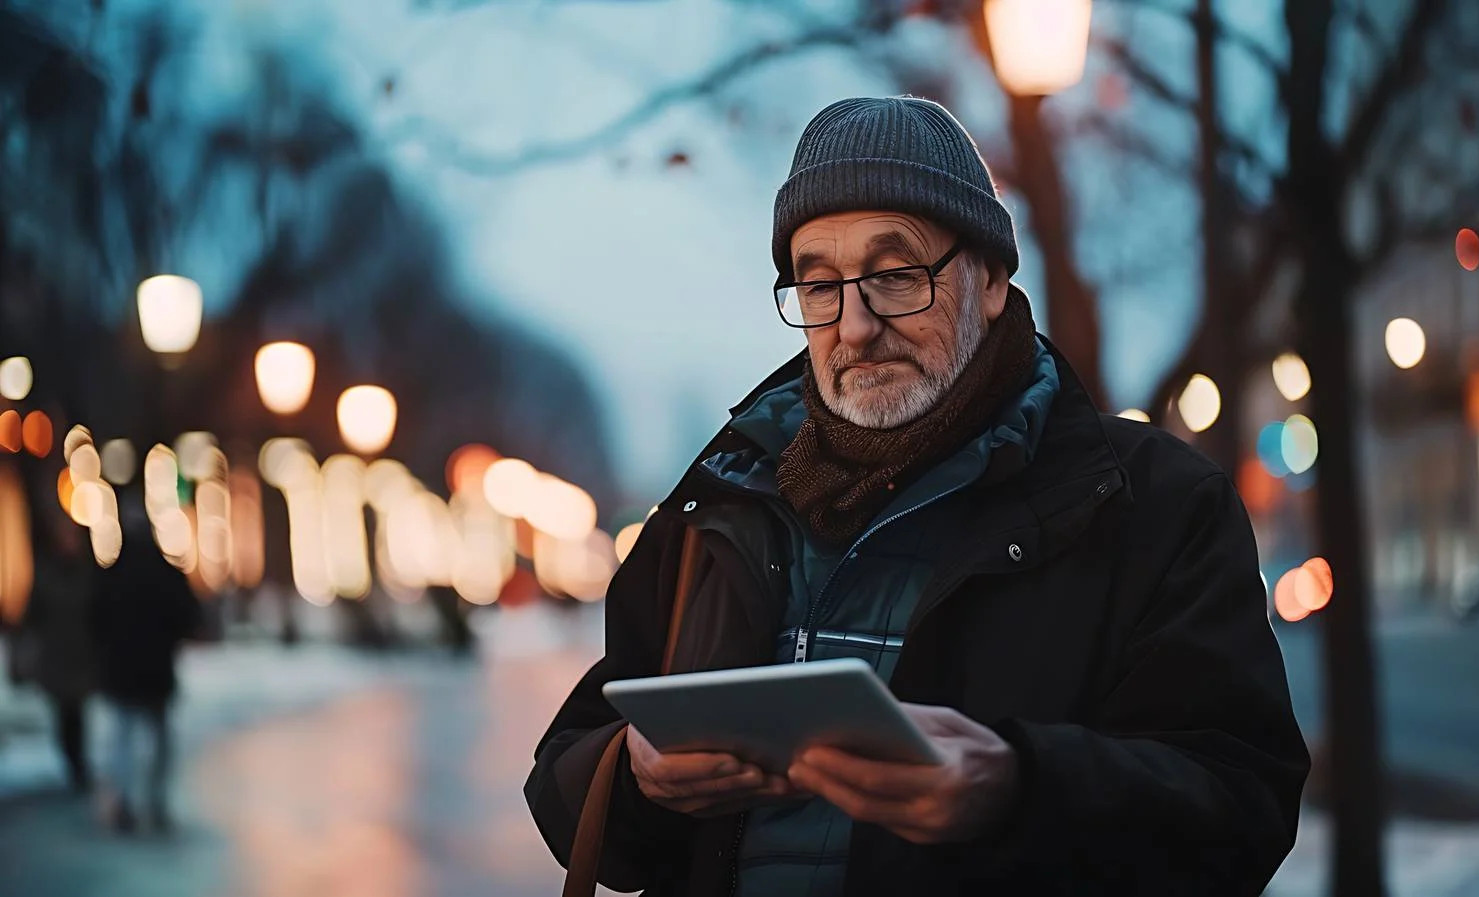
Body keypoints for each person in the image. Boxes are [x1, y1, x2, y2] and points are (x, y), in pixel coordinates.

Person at [526, 96, 1309, 896]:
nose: (854, 324)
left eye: (896, 275)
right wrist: (635, 774)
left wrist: (1017, 787)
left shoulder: (1156, 505)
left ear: (993, 278)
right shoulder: (724, 501)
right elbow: (567, 778)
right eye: (818, 284)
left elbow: (1242, 809)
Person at [90, 501, 201, 833]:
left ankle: (124, 800)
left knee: (122, 739)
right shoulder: (167, 574)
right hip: (155, 672)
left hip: (121, 671)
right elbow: (189, 617)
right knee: (159, 739)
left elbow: (92, 621)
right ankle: (156, 800)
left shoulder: (110, 577)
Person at [19, 508, 98, 793]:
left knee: (77, 712)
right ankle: (72, 761)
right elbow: (33, 613)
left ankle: (78, 764)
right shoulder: (47, 574)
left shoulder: (86, 573)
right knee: (64, 713)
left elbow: (96, 613)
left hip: (80, 654)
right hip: (56, 655)